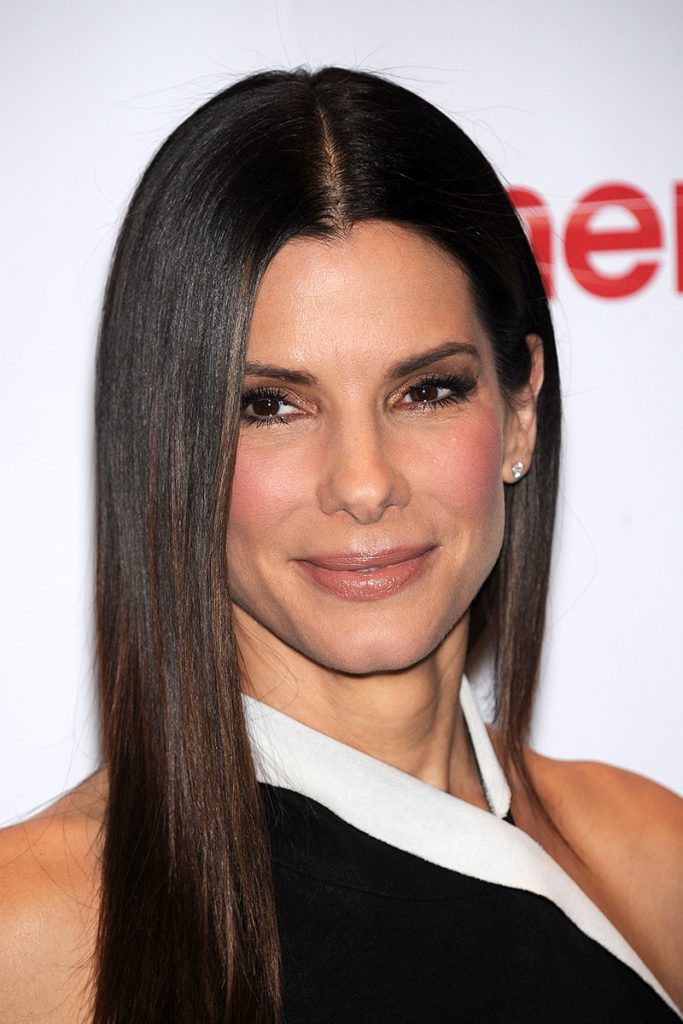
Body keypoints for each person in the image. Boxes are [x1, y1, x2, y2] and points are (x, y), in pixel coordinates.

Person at [0, 66, 681, 1024]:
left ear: (520, 410)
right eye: (270, 407)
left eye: (426, 391)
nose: (362, 484)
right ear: (167, 446)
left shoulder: (645, 856)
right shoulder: (37, 928)